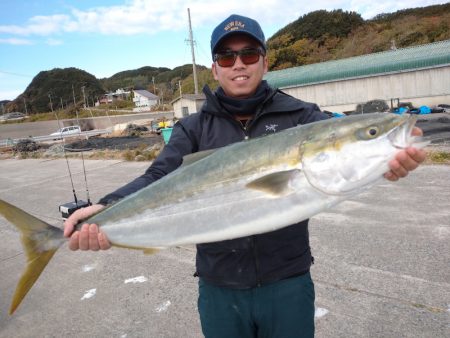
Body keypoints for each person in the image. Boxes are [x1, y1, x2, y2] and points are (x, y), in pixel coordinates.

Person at [64, 14, 426, 338]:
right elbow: (157, 176)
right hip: (219, 287)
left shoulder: (303, 118)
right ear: (216, 69)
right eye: (227, 56)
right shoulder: (192, 128)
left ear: (265, 63)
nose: (239, 64)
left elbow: (346, 152)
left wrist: (387, 163)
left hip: (288, 282)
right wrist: (107, 208)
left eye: (249, 54)